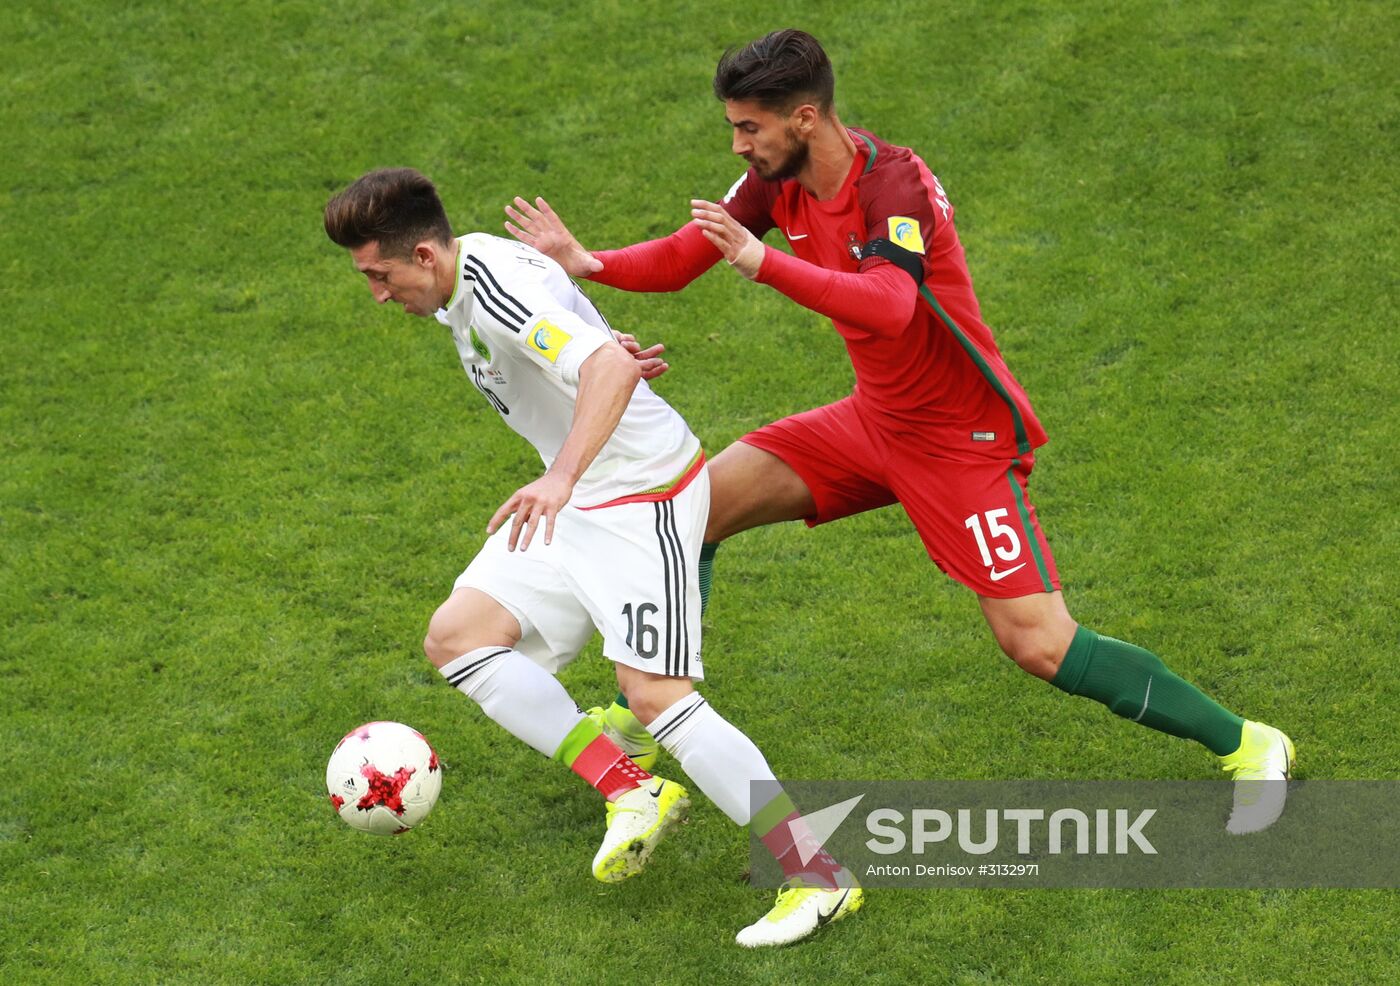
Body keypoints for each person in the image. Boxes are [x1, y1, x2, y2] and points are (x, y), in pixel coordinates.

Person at [504, 29, 1294, 835]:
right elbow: (681, 257)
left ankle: (1248, 744)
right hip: (872, 421)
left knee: (1039, 643)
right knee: (690, 511)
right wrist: (588, 260)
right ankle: (645, 711)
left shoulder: (897, 187)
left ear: (804, 118)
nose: (738, 144)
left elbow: (890, 304)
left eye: (750, 128)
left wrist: (761, 263)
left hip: (959, 441)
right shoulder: (774, 181)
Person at [323, 167, 862, 948]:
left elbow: (597, 365)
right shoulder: (459, 287)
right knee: (457, 636)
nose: (377, 293)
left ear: (427, 258)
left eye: (380, 275)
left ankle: (818, 876)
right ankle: (630, 789)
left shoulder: (493, 284)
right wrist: (602, 357)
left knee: (656, 696)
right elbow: (581, 344)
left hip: (640, 496)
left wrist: (564, 465)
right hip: (583, 499)